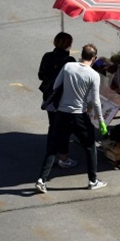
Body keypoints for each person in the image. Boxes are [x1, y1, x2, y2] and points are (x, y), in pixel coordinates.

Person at [35, 44, 108, 193]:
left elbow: (56, 85)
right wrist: (101, 120)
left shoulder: (68, 66)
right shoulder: (93, 75)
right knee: (89, 147)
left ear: (81, 54)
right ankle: (92, 180)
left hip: (62, 113)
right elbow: (95, 101)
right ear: (93, 58)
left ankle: (41, 179)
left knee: (53, 148)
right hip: (79, 115)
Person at [38, 32, 78, 168]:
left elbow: (40, 75)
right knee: (64, 128)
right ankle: (63, 157)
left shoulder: (47, 56)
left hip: (49, 98)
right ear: (68, 45)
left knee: (53, 126)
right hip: (63, 98)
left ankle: (50, 154)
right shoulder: (69, 60)